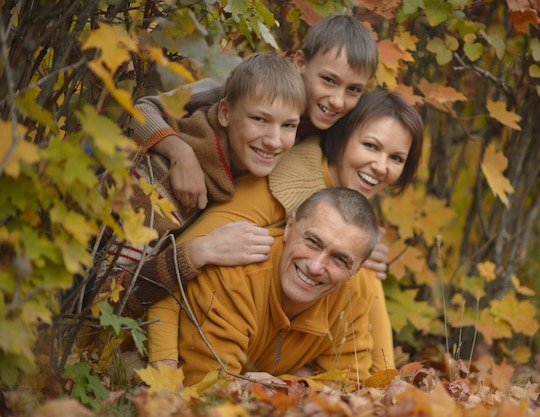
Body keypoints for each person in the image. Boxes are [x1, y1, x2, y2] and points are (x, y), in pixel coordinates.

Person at [118, 13, 382, 314]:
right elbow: (141, 110)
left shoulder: (336, 124)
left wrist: (358, 245)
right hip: (158, 171)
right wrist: (181, 153)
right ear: (300, 64)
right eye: (328, 81)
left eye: (353, 90)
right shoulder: (251, 83)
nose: (337, 100)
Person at [147, 88, 424, 373]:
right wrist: (163, 367)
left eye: (396, 159)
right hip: (166, 325)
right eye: (370, 146)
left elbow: (366, 297)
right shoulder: (278, 188)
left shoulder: (351, 207)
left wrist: (383, 387)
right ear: (343, 137)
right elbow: (174, 266)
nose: (380, 166)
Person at [99, 52, 306, 315]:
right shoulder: (161, 184)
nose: (274, 141)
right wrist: (198, 252)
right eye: (259, 120)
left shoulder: (236, 170)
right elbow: (103, 302)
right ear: (224, 113)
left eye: (288, 125)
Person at [147, 187, 381, 386]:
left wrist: (294, 387)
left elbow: (348, 387)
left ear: (356, 271)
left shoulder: (354, 295)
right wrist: (299, 386)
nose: (316, 266)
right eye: (312, 242)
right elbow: (208, 390)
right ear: (289, 227)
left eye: (340, 259)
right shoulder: (234, 279)